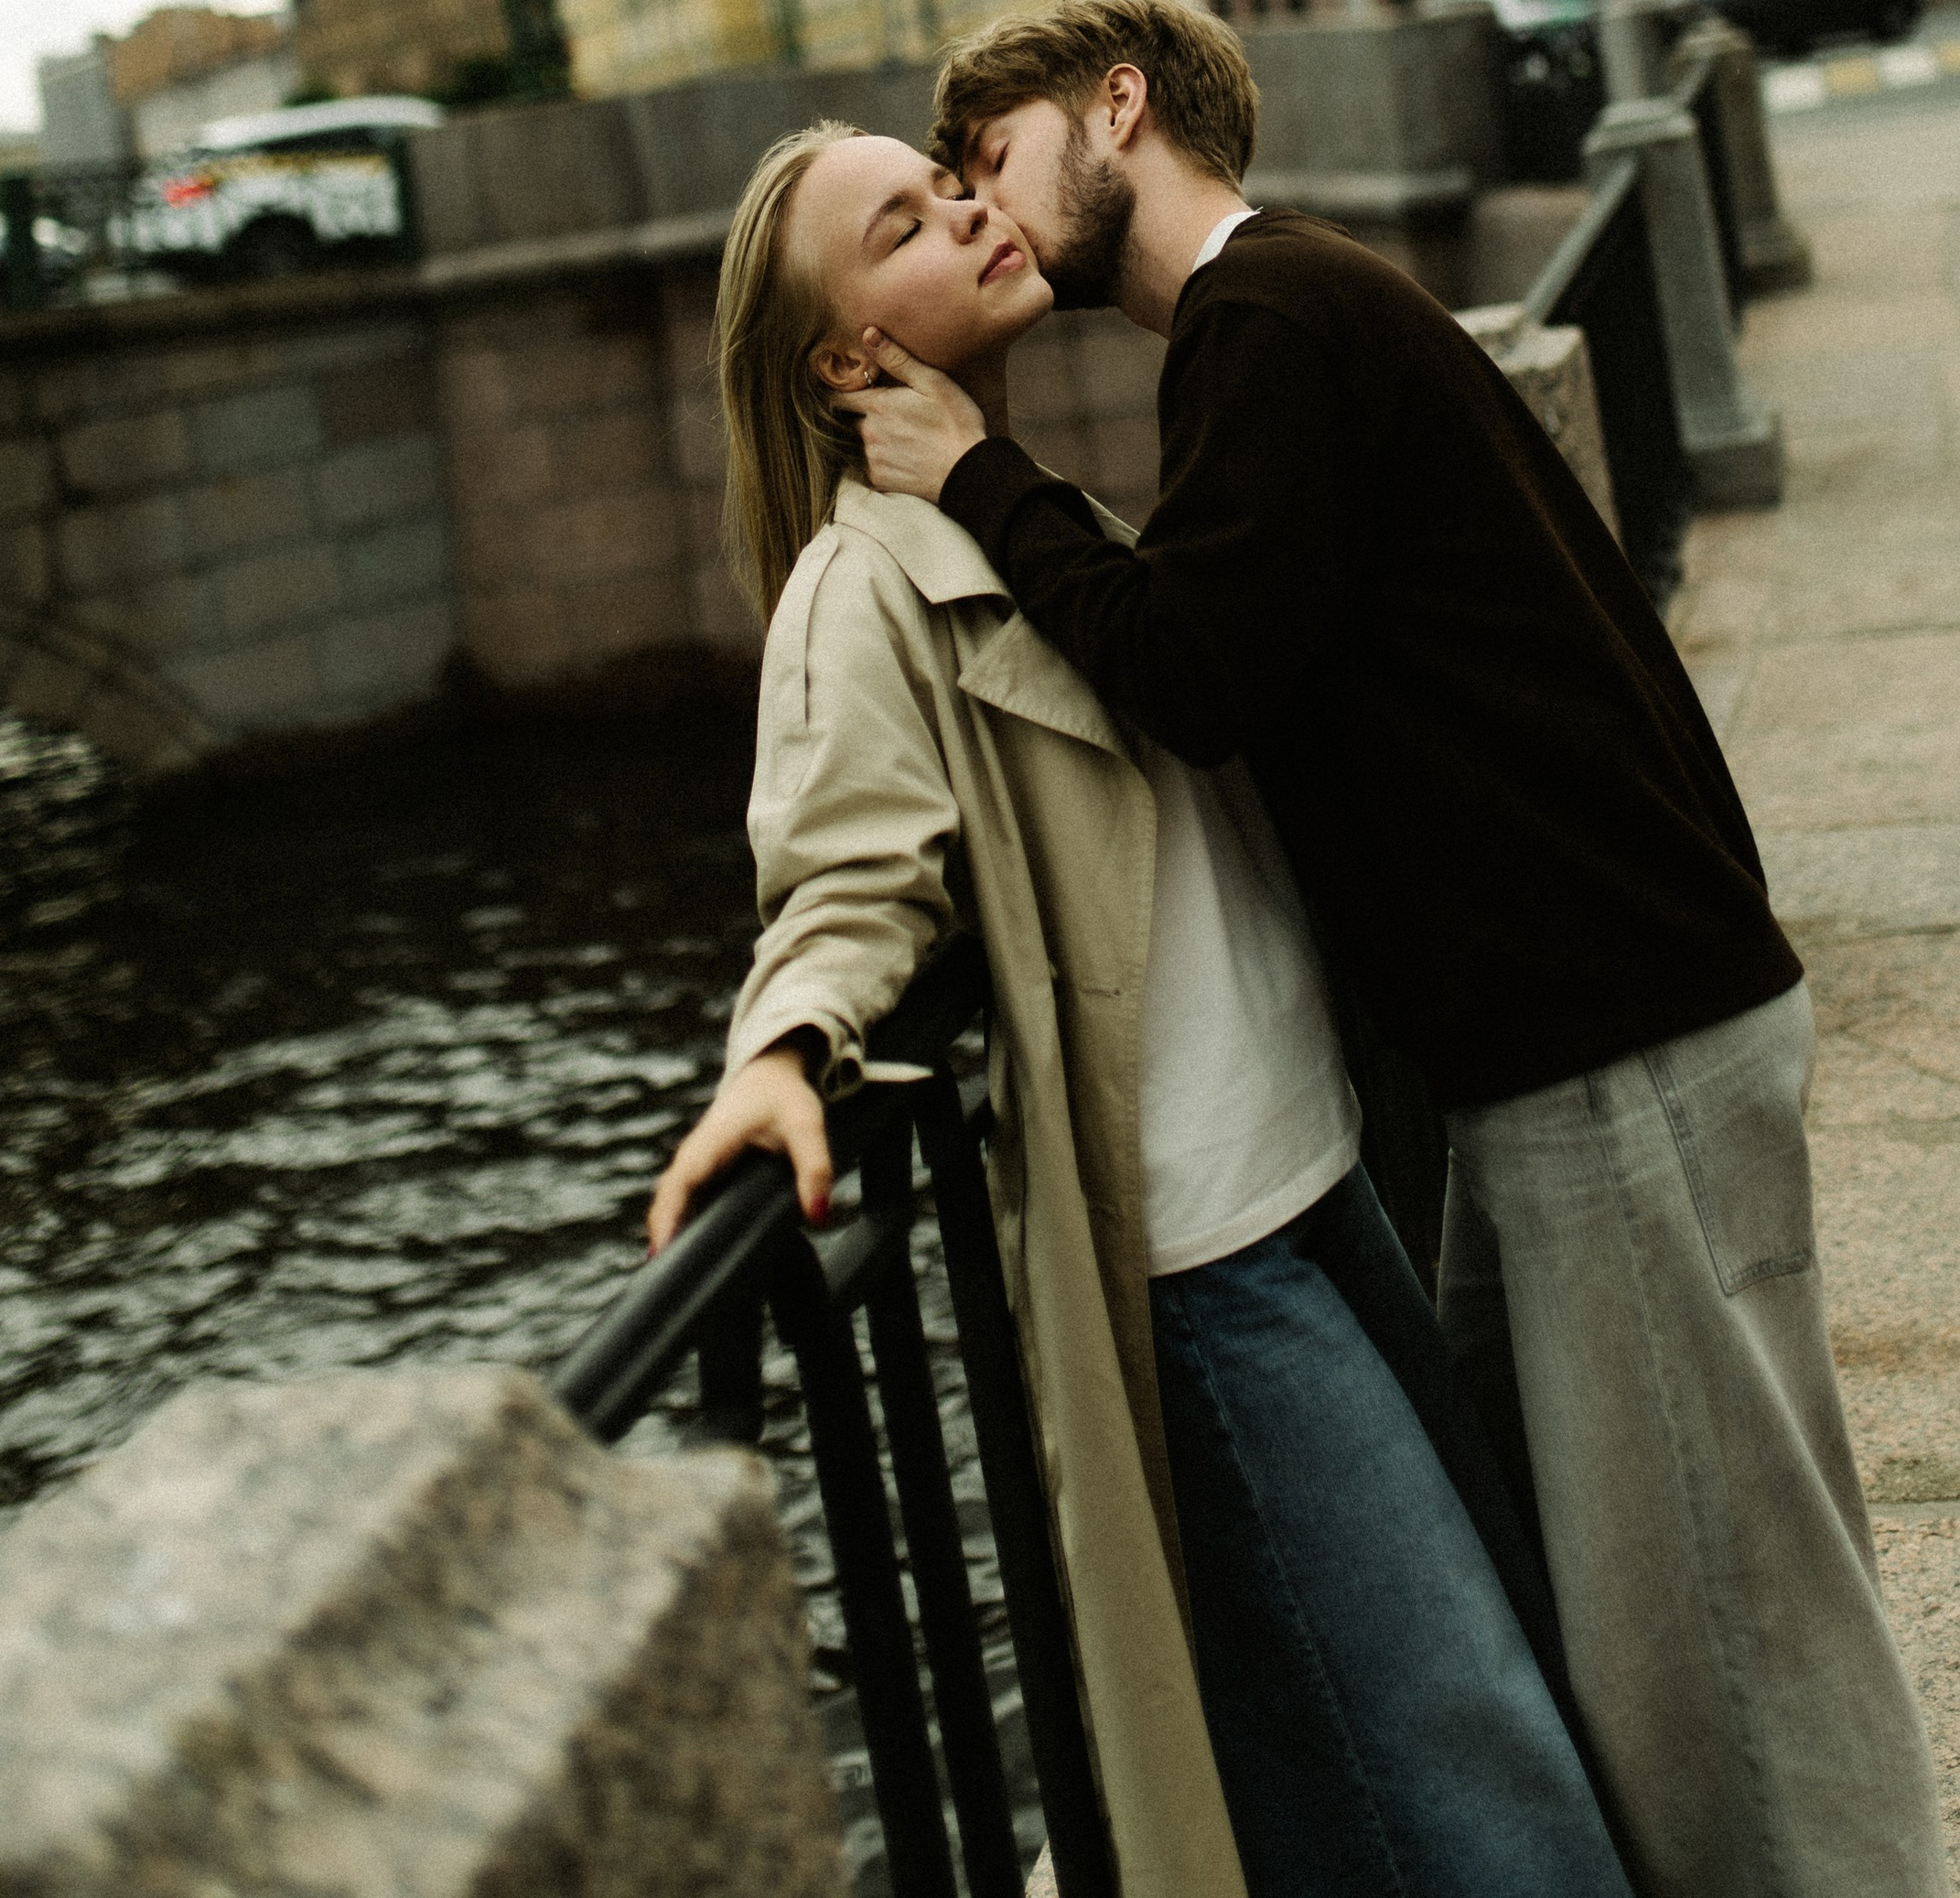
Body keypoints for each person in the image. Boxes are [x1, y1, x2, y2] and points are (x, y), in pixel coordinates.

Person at [838, 0, 1950, 1898]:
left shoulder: (1266, 321)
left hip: (1606, 1034)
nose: (986, 211)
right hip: (1599, 1021)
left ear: (1119, 107)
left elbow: (1196, 668)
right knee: (1653, 1592)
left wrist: (973, 477)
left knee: (1726, 1631)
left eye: (995, 159)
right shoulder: (1300, 308)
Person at [651, 120, 1634, 1898]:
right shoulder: (854, 594)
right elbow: (844, 874)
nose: (968, 209)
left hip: (1313, 1179)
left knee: (1407, 1735)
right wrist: (783, 1055)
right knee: (1483, 1771)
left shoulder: (1012, 506)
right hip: (1201, 1260)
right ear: (843, 359)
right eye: (903, 224)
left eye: (949, 185)